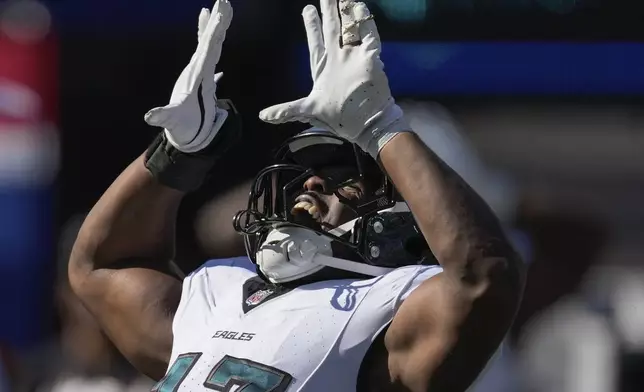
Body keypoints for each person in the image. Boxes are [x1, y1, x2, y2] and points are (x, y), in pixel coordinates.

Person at [68, 1, 524, 391]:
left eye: (341, 176)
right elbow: (103, 266)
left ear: (404, 216)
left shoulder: (388, 302)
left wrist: (381, 129)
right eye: (308, 173)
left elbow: (484, 278)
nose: (309, 184)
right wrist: (175, 155)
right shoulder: (219, 290)